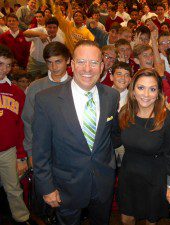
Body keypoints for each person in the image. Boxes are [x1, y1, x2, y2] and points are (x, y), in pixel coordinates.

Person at [32, 40, 120, 225]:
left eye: (94, 63)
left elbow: (112, 136)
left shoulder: (112, 96)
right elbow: (41, 151)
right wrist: (47, 188)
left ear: (102, 66)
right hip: (65, 186)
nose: (87, 68)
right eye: (81, 62)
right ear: (72, 64)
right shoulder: (46, 100)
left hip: (102, 183)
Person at [118, 68, 170, 225]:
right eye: (141, 88)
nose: (146, 95)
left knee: (150, 220)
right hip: (128, 176)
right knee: (127, 218)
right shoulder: (125, 112)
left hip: (154, 178)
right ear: (132, 90)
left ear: (158, 93)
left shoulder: (167, 119)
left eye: (152, 89)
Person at [0, 44, 36, 225]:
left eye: (8, 65)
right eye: (0, 64)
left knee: (13, 187)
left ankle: (22, 218)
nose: (4, 69)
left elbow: (22, 125)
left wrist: (21, 155)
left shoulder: (15, 92)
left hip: (7, 150)